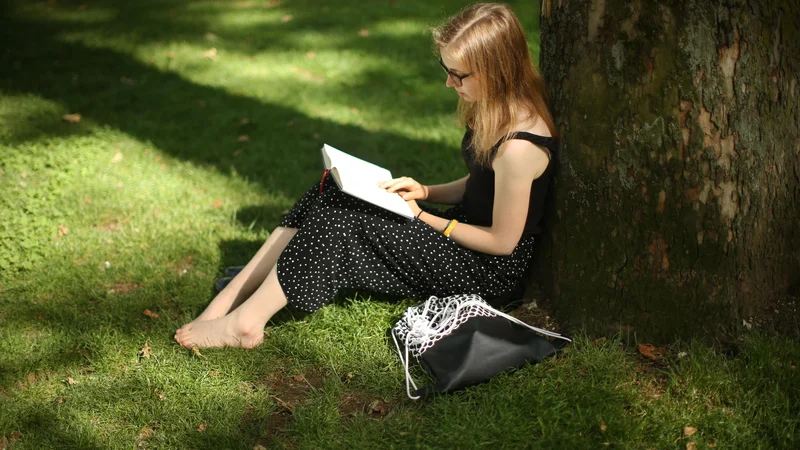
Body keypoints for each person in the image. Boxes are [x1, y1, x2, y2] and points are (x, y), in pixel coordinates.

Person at [174, 2, 557, 349]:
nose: (449, 83)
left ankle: (246, 324)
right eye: (447, 70)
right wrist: (426, 190)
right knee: (332, 190)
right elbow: (480, 184)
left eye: (458, 75)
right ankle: (231, 298)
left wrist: (423, 216)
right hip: (465, 238)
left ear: (495, 70)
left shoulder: (519, 148)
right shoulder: (493, 108)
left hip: (486, 272)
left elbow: (503, 241)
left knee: (342, 222)